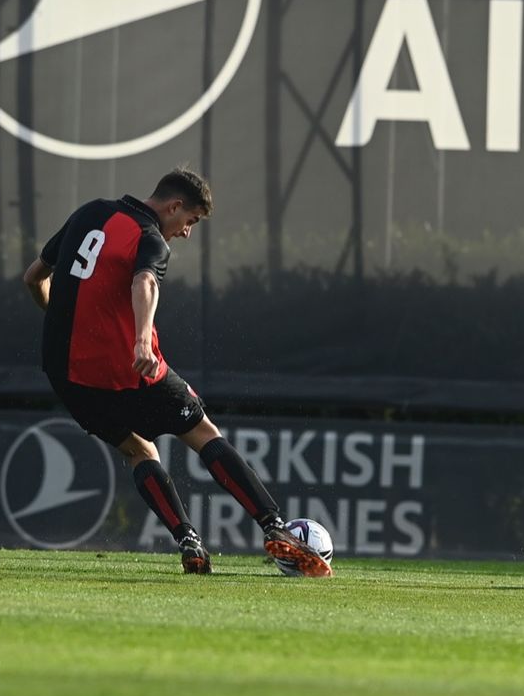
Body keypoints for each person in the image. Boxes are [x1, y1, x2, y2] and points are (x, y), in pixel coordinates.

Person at [22, 167, 331, 578]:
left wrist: (65, 317)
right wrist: (140, 340)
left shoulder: (88, 213)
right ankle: (274, 525)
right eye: (190, 221)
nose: (186, 232)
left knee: (139, 451)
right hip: (128, 367)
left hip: (67, 374)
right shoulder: (149, 237)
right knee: (204, 434)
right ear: (174, 206)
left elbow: (33, 278)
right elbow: (145, 282)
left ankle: (188, 540)